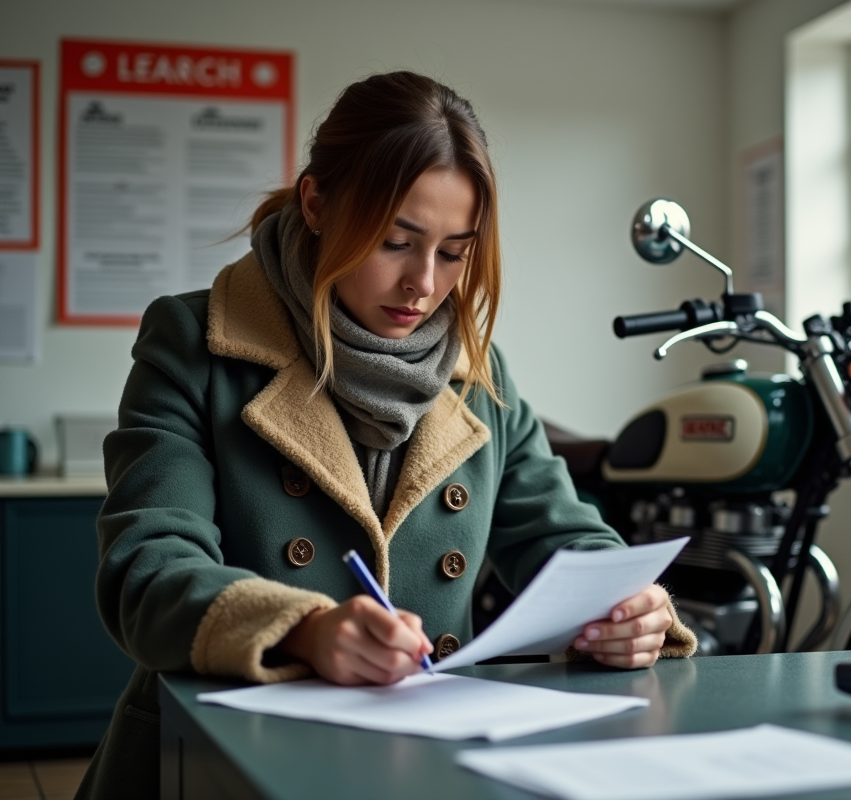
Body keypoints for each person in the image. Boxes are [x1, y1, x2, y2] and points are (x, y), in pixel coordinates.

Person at [75, 71, 696, 800]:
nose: (423, 284)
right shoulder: (194, 342)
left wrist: (626, 607)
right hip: (218, 762)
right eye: (396, 241)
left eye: (454, 252)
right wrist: (304, 629)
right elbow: (146, 572)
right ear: (316, 203)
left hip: (426, 765)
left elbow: (563, 536)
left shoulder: (477, 373)